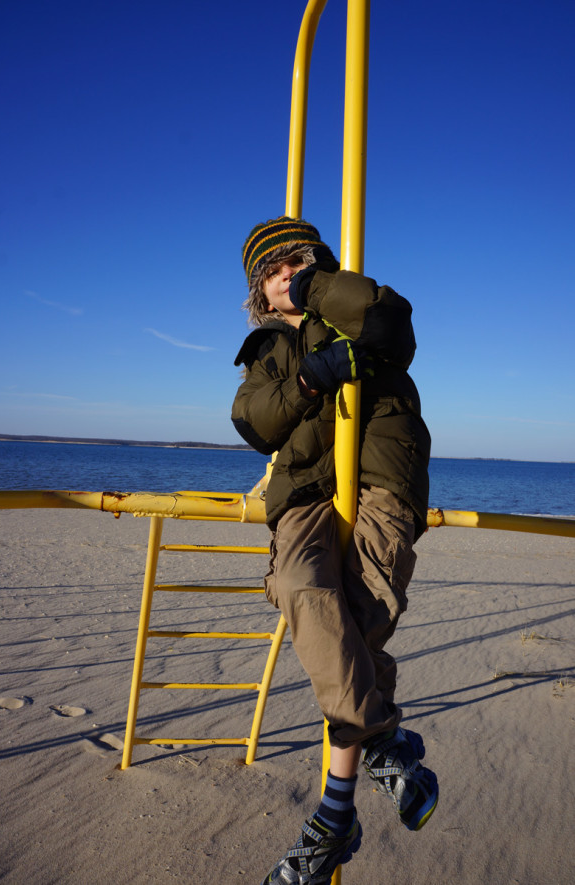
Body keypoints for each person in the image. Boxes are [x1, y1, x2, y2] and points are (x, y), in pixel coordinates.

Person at [232, 216, 437, 885]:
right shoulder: (265, 349)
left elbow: (392, 331)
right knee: (298, 587)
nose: (287, 273)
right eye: (274, 270)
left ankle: (332, 815)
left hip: (379, 474)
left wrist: (323, 288)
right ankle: (380, 740)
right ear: (259, 290)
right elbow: (255, 421)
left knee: (362, 614)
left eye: (299, 260)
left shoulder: (354, 301)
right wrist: (314, 377)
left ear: (319, 261)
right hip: (304, 491)